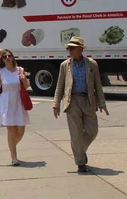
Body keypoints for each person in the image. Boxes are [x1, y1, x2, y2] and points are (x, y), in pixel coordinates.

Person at [52, 37, 108, 173]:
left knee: (92, 130)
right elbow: (60, 85)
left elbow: (98, 85)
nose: (69, 50)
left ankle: (80, 151)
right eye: (68, 48)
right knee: (76, 134)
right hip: (72, 102)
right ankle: (81, 162)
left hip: (88, 101)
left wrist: (102, 103)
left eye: (72, 48)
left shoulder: (92, 64)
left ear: (81, 50)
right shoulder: (65, 65)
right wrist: (56, 104)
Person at [0, 49, 30, 166]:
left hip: (19, 101)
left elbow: (26, 86)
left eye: (9, 56)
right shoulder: (1, 72)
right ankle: (14, 156)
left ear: (13, 57)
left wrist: (24, 80)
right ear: (2, 59)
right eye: (5, 57)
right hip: (7, 103)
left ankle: (12, 146)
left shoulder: (20, 70)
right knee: (11, 131)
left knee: (20, 131)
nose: (8, 58)